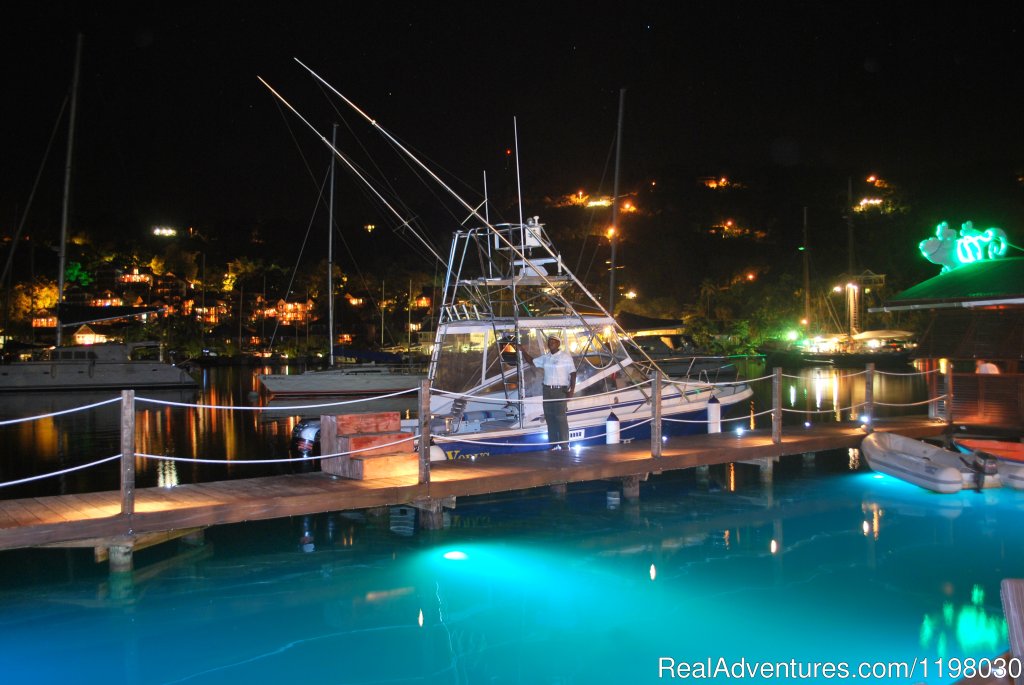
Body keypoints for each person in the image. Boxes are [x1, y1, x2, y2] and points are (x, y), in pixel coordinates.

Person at [521, 335, 577, 450]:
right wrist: (523, 351)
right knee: (549, 416)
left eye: (553, 342)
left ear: (558, 344)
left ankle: (564, 445)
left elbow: (573, 373)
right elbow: (531, 361)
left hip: (559, 390)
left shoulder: (565, 357)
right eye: (549, 341)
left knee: (560, 417)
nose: (550, 343)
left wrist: (572, 390)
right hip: (547, 390)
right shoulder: (546, 357)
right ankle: (553, 444)